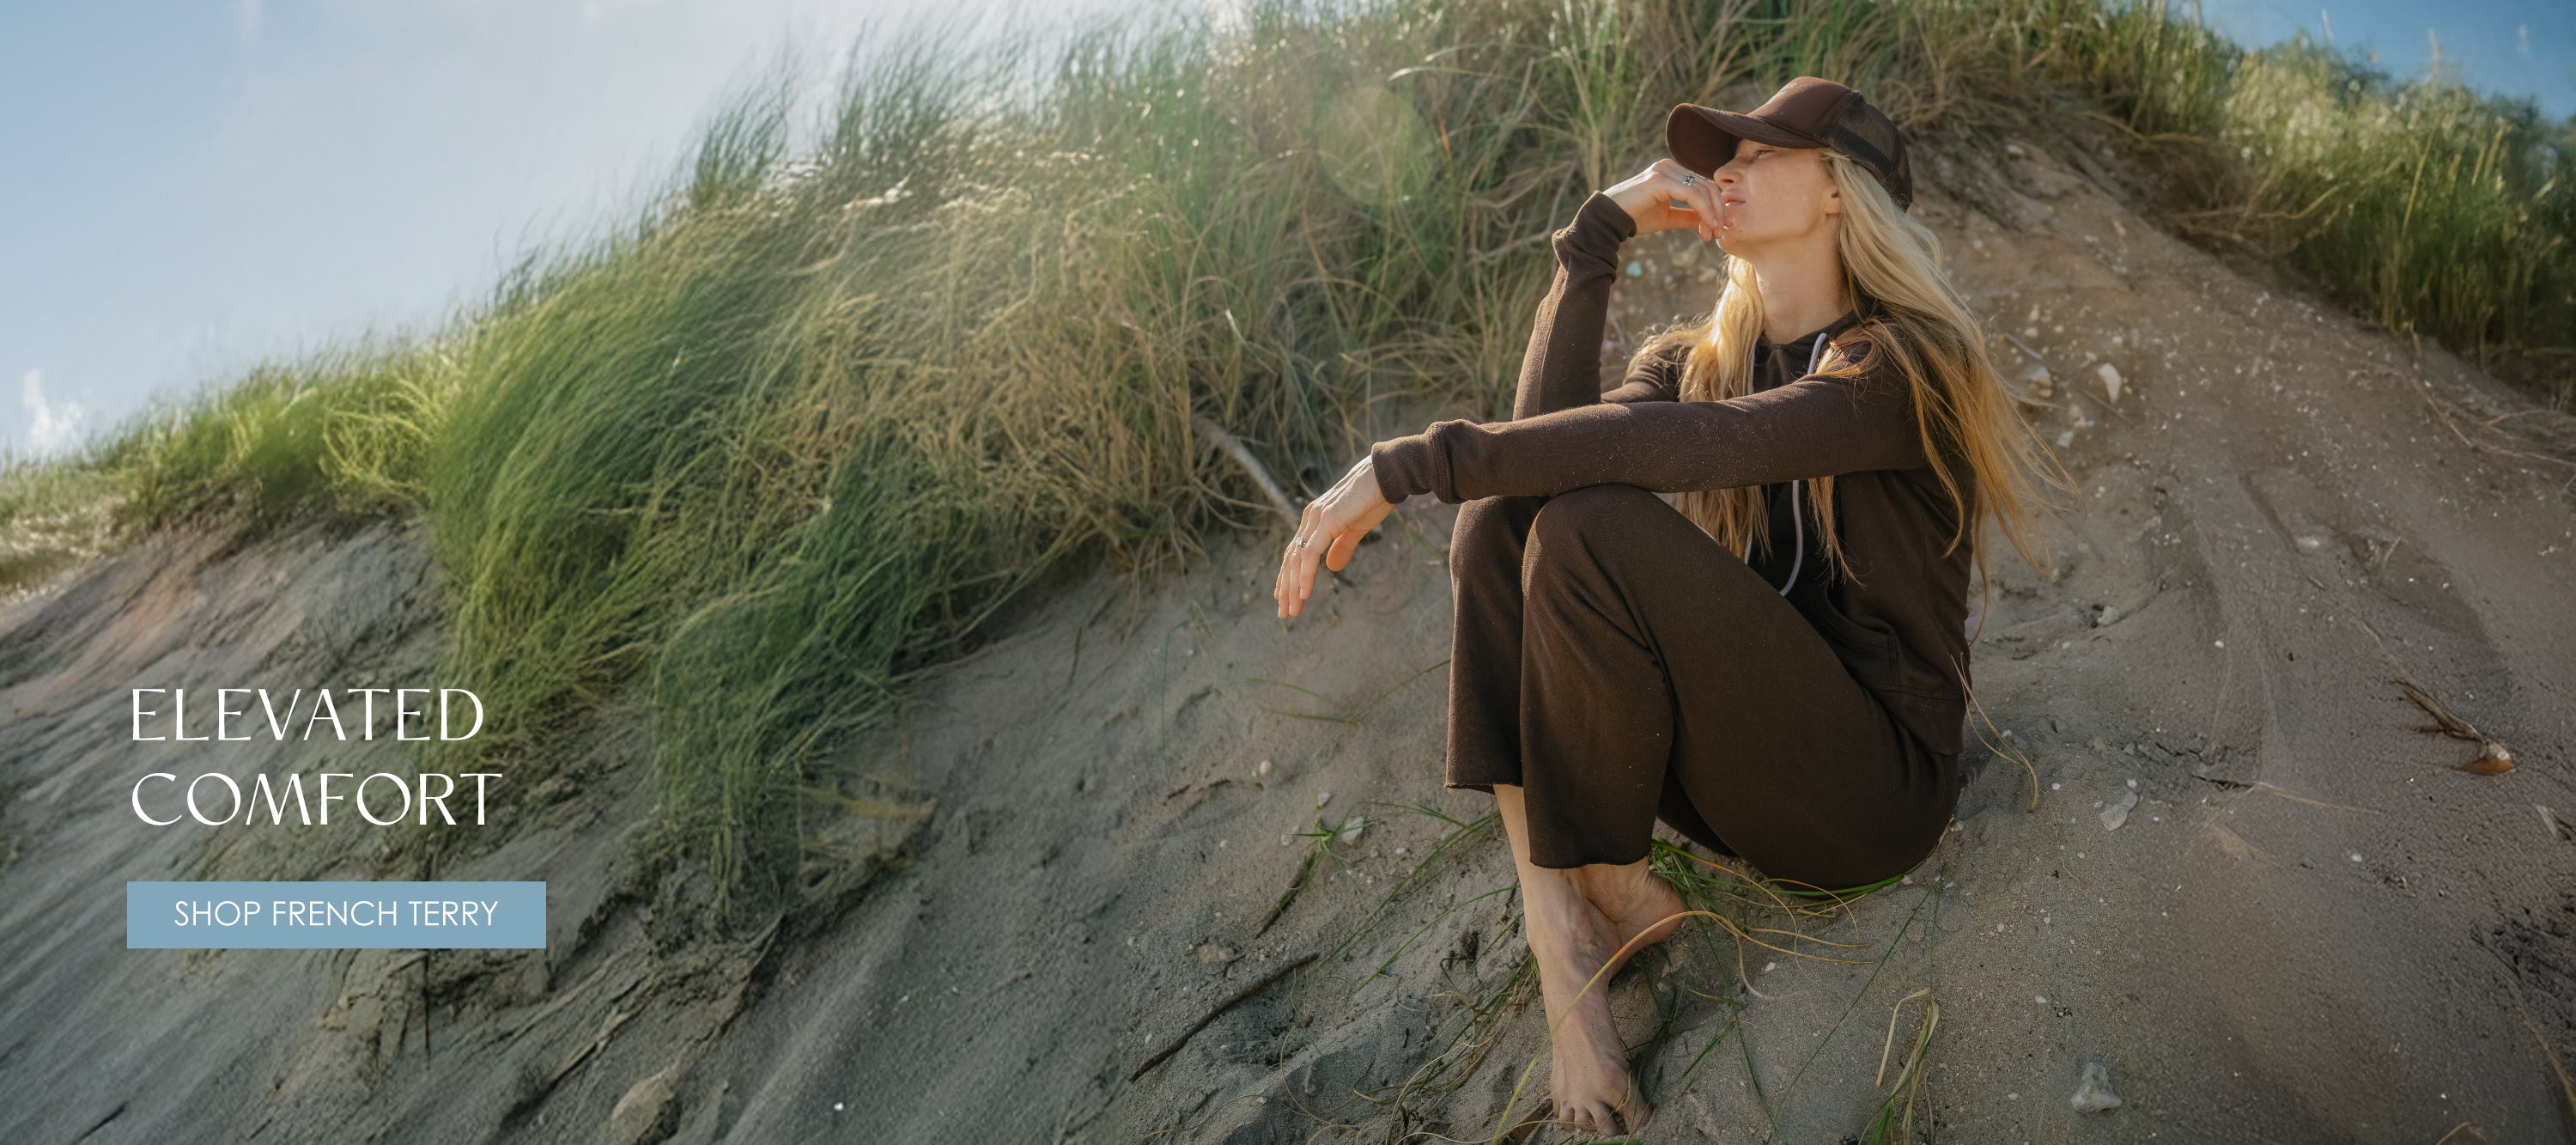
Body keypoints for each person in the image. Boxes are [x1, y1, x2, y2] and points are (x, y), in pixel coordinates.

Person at [1270, 76, 2065, 1135]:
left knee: (1588, 524)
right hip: (1742, 773)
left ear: (1840, 192)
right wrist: (1594, 236)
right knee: (1506, 524)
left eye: (1758, 152)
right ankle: (1567, 933)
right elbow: (1526, 483)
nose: (1723, 171)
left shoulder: (1896, 366)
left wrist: (1411, 463)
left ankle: (1596, 882)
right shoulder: (1700, 360)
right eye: (1718, 155)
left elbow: (1700, 447)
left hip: (1872, 800)